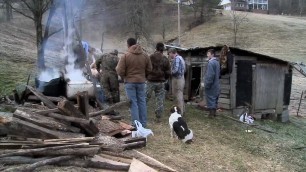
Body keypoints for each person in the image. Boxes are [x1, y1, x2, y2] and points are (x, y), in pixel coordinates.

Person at [116, 38, 152, 127]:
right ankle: (143, 124)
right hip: (141, 82)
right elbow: (150, 69)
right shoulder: (145, 55)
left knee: (133, 103)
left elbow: (119, 70)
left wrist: (124, 77)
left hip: (130, 82)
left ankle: (136, 124)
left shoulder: (125, 56)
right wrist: (144, 76)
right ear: (136, 43)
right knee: (142, 102)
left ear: (128, 45)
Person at [146, 42, 171, 122]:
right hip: (161, 82)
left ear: (156, 48)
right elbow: (168, 72)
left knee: (145, 98)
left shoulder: (150, 57)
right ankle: (158, 117)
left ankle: (142, 114)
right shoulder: (165, 59)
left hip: (150, 81)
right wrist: (165, 78)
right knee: (160, 100)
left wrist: (147, 77)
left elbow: (146, 69)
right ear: (162, 49)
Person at [168, 48, 185, 116]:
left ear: (172, 53)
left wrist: (170, 72)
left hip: (178, 79)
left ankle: (180, 112)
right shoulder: (181, 58)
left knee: (178, 95)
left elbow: (176, 70)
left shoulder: (177, 59)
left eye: (169, 54)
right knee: (179, 94)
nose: (169, 55)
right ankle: (180, 110)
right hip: (180, 78)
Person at [204, 49, 220, 118]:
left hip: (212, 85)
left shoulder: (211, 63)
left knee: (211, 99)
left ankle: (211, 114)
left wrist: (207, 84)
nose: (207, 55)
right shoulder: (217, 62)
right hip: (217, 84)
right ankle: (214, 113)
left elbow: (210, 75)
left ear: (212, 54)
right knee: (215, 99)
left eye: (208, 53)